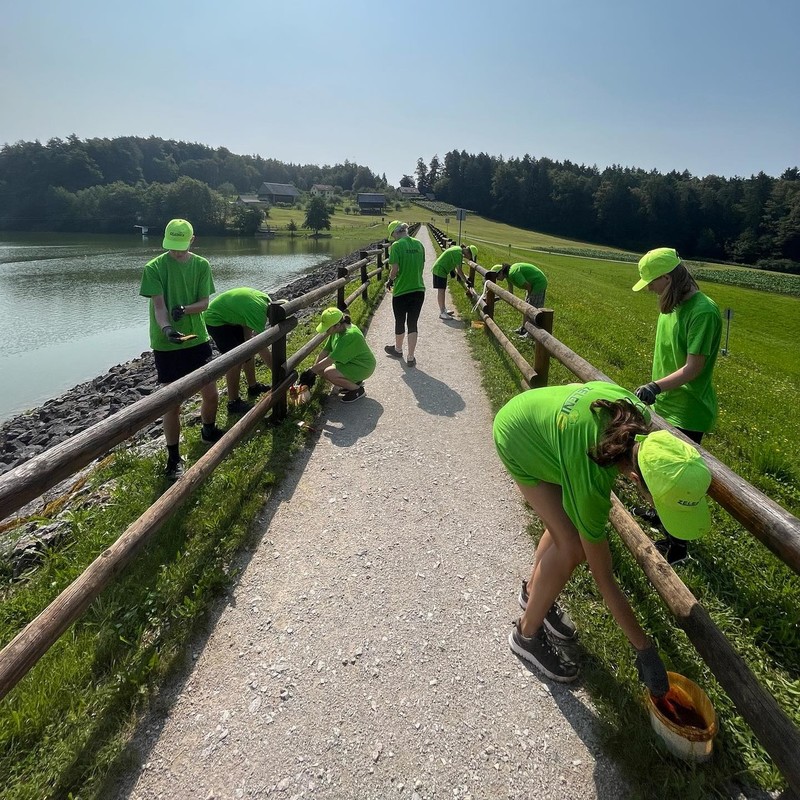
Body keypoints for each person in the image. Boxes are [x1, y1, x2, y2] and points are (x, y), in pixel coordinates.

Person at [493, 380, 712, 690]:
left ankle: (533, 595)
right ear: (635, 478)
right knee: (571, 546)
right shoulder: (592, 473)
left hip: (538, 422)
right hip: (517, 440)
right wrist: (644, 648)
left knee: (565, 521)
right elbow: (603, 576)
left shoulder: (636, 416)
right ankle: (526, 635)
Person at [631, 247, 722, 564]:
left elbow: (693, 369)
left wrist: (655, 386)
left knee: (677, 479)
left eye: (653, 282)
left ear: (668, 277)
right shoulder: (671, 307)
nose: (651, 289)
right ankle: (660, 515)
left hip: (687, 408)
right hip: (664, 402)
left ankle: (678, 548)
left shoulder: (703, 312)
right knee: (655, 467)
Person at [140, 218, 225, 480]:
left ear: (191, 240)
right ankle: (173, 457)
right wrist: (166, 329)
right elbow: (159, 307)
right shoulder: (154, 268)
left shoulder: (201, 265)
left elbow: (204, 303)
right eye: (172, 246)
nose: (177, 252)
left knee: (210, 394)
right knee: (171, 403)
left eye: (181, 246)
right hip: (166, 344)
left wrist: (185, 310)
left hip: (197, 338)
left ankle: (208, 430)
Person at [204, 287, 273, 415]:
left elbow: (250, 342)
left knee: (248, 350)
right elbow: (261, 346)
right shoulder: (258, 312)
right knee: (235, 359)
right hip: (215, 319)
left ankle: (253, 387)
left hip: (233, 315)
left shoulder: (266, 299)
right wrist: (277, 371)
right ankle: (233, 402)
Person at [304, 307, 376, 403]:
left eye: (328, 328)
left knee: (329, 372)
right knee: (320, 368)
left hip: (363, 367)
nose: (326, 331)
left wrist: (311, 371)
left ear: (337, 325)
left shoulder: (349, 335)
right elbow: (325, 351)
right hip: (352, 363)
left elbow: (330, 360)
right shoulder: (337, 331)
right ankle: (351, 383)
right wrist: (314, 371)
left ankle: (357, 390)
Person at [384, 221, 425, 365]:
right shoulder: (419, 244)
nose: (393, 238)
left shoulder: (396, 246)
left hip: (401, 290)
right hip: (418, 289)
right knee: (413, 323)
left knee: (400, 321)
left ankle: (398, 349)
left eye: (392, 235)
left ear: (395, 232)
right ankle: (411, 357)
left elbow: (395, 269)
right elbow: (421, 266)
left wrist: (390, 281)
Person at [494, 262, 548, 336]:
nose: (496, 278)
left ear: (501, 272)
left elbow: (528, 286)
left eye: (496, 276)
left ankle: (530, 334)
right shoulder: (508, 275)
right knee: (527, 307)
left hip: (538, 283)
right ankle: (523, 328)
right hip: (532, 284)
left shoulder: (513, 273)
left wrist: (529, 297)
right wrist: (500, 297)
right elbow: (510, 292)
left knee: (532, 309)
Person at [430, 243, 477, 319]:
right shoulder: (458, 254)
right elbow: (459, 271)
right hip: (440, 270)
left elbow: (451, 259)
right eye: (470, 257)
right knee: (441, 291)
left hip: (441, 269)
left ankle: (444, 309)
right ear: (469, 252)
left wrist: (452, 270)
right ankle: (442, 312)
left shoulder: (457, 249)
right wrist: (466, 281)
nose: (469, 259)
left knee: (443, 289)